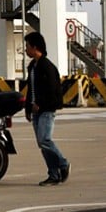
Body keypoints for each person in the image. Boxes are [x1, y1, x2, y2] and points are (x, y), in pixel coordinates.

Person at [24, 31, 70, 186]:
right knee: (42, 144)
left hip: (47, 109)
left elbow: (52, 89)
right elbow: (30, 89)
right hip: (36, 110)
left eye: (27, 46)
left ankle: (63, 164)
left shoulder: (47, 66)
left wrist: (41, 104)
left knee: (45, 140)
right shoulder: (32, 66)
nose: (25, 49)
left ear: (35, 47)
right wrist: (28, 108)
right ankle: (53, 174)